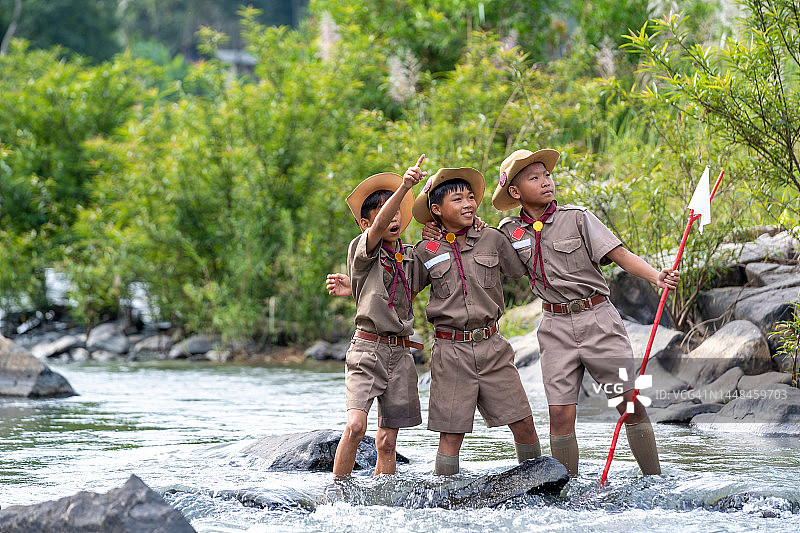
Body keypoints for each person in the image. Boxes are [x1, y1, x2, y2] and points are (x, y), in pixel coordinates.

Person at [486, 148, 680, 475]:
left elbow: (619, 254)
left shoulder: (577, 217)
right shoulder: (509, 231)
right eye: (535, 177)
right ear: (515, 193)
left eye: (547, 174)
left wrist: (655, 276)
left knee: (628, 403)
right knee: (561, 415)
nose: (547, 181)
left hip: (597, 319)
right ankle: (566, 495)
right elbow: (491, 260)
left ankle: (654, 481)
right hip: (554, 327)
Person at [410, 167, 541, 476]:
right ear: (437, 210)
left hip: (493, 346)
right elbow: (401, 288)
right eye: (458, 199)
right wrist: (353, 285)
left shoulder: (492, 238)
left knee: (523, 423)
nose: (468, 204)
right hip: (450, 351)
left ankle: (539, 482)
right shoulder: (424, 250)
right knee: (451, 434)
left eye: (471, 197)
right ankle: (445, 498)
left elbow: (523, 269)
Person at [329, 156, 426, 478]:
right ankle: (336, 491)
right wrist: (405, 186)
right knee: (356, 426)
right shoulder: (363, 247)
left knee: (386, 442)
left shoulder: (411, 256)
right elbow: (379, 230)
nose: (393, 219)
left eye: (399, 212)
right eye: (384, 216)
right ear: (365, 224)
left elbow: (443, 267)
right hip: (367, 351)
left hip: (400, 354)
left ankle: (383, 500)